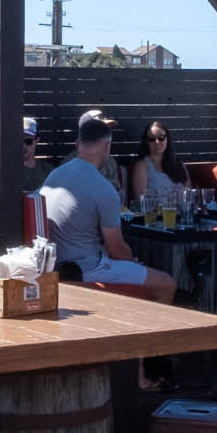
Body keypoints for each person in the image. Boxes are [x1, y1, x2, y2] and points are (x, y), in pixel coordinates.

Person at [40, 112, 176, 303]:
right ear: (107, 146)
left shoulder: (54, 176)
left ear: (78, 144)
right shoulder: (103, 188)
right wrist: (132, 261)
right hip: (86, 268)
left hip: (55, 264)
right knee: (166, 284)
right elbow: (117, 250)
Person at [125, 119, 188, 212]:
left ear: (167, 139)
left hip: (183, 217)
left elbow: (189, 197)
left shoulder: (179, 164)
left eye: (161, 137)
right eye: (151, 139)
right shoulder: (142, 166)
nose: (157, 142)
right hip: (157, 218)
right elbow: (141, 202)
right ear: (146, 142)